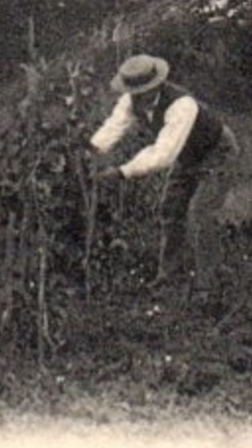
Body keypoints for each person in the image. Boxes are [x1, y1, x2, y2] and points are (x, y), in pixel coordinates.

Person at [89, 54, 239, 314]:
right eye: (132, 92)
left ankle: (208, 288)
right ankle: (168, 276)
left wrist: (121, 172)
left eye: (142, 92)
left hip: (216, 152)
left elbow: (162, 154)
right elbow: (113, 128)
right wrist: (88, 151)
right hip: (186, 154)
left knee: (200, 213)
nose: (136, 98)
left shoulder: (181, 105)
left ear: (156, 86)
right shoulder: (130, 102)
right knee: (170, 209)